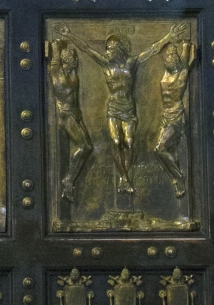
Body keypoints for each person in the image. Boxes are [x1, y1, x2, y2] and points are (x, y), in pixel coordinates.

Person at [55, 23, 185, 194]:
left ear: (118, 50)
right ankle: (124, 178)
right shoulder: (105, 64)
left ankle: (125, 177)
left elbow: (152, 50)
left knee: (129, 143)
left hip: (128, 108)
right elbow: (86, 49)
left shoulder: (131, 63)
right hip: (113, 108)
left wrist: (169, 36)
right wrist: (69, 35)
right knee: (117, 142)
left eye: (110, 49)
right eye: (107, 49)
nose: (107, 51)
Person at [47, 39, 92, 202]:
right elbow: (54, 61)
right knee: (85, 146)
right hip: (65, 115)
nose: (77, 61)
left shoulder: (73, 74)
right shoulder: (57, 73)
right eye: (73, 58)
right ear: (65, 60)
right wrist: (56, 46)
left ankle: (69, 181)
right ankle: (68, 180)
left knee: (87, 147)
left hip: (75, 113)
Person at [154, 41, 195, 198]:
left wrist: (186, 47)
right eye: (167, 56)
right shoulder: (167, 72)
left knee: (160, 148)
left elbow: (186, 60)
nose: (168, 58)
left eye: (172, 56)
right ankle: (176, 177)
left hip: (176, 118)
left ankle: (178, 178)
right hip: (166, 117)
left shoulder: (181, 74)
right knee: (163, 150)